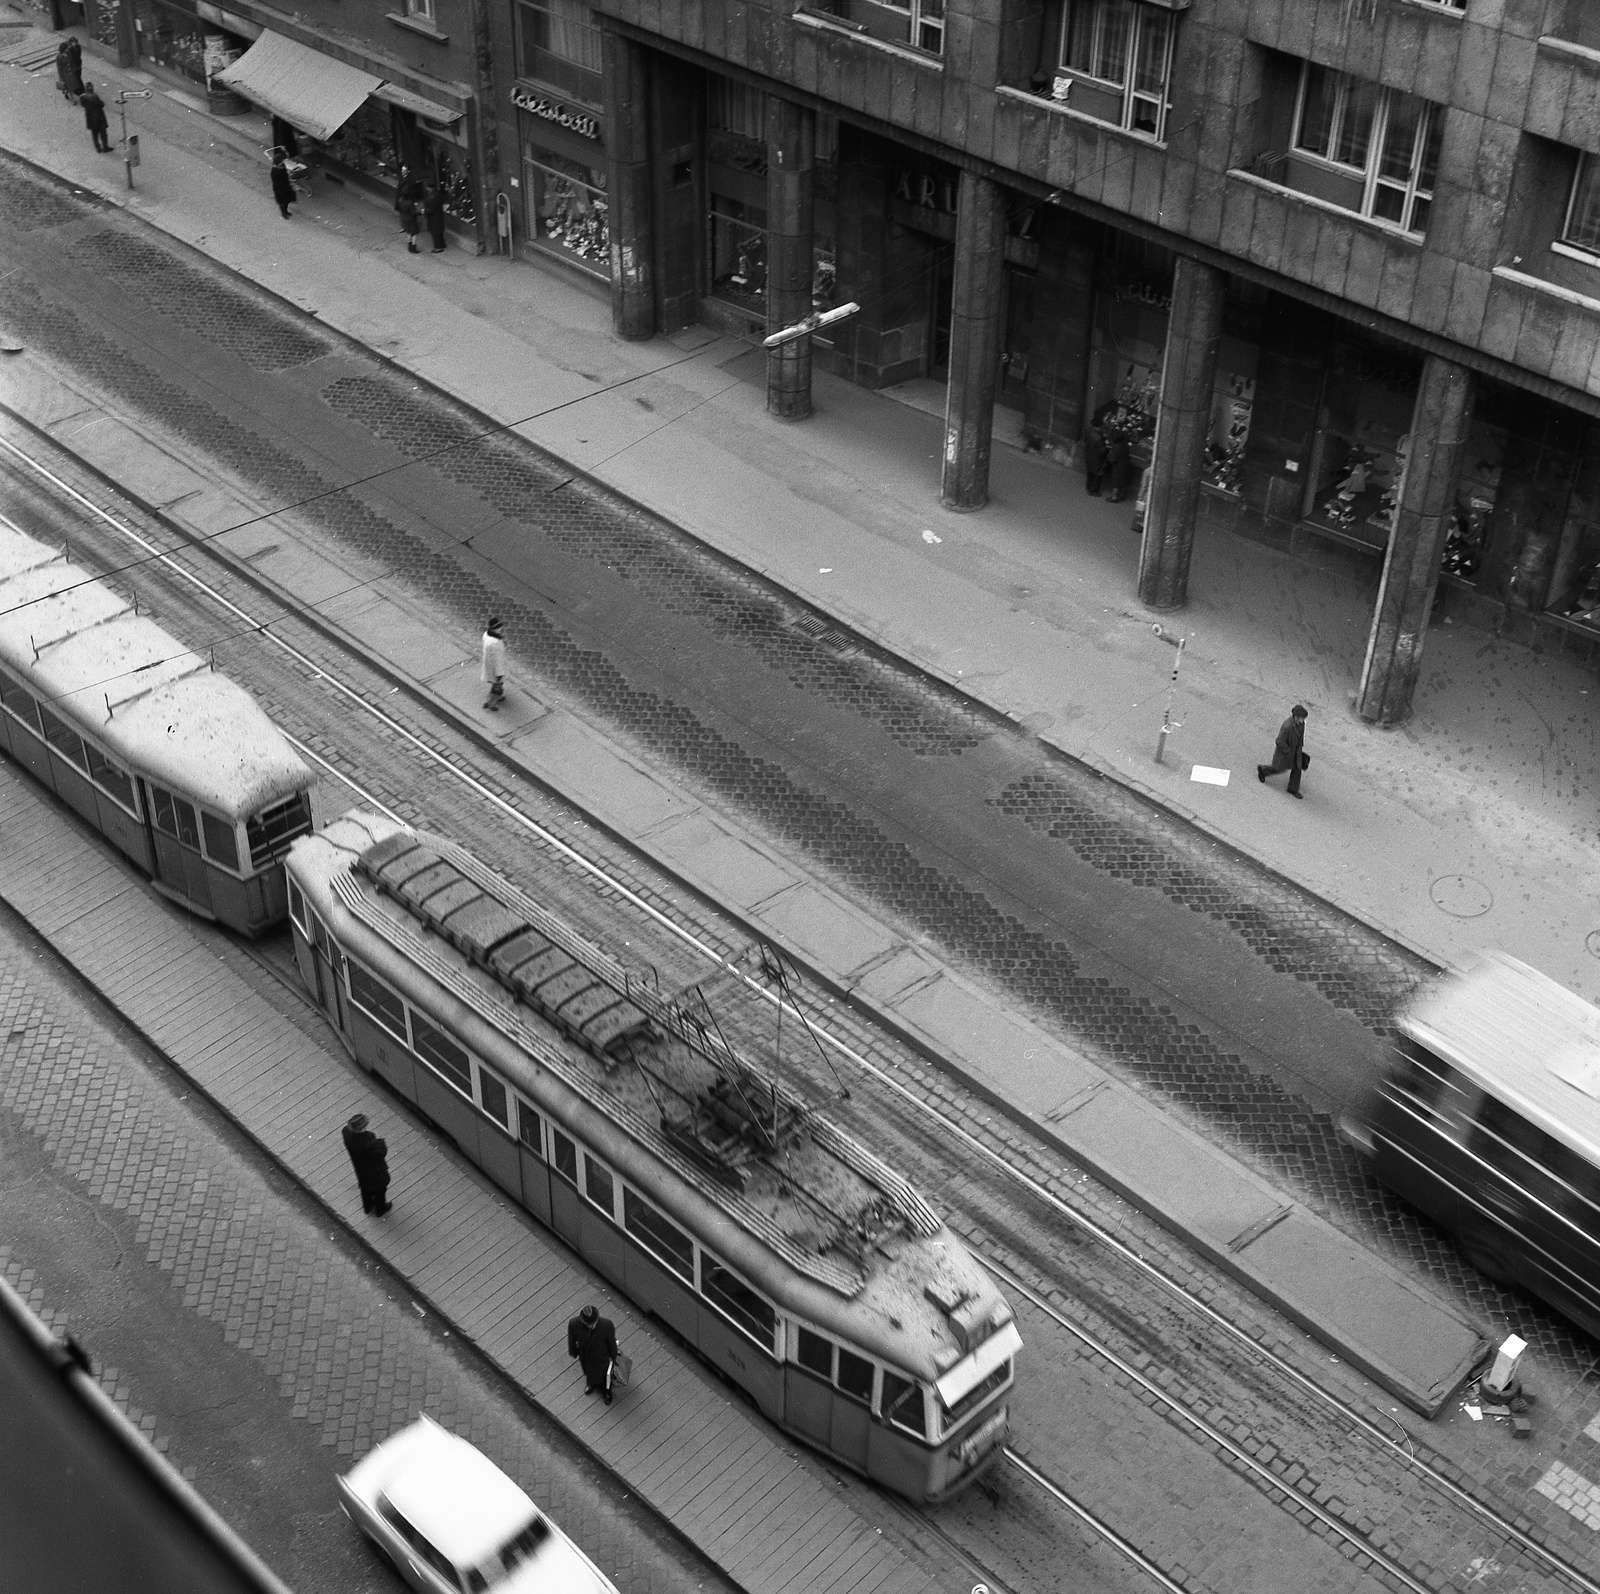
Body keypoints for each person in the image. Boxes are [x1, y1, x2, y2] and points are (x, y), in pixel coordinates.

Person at [341, 1112, 392, 1215]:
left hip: (361, 1169)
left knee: (365, 1188)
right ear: (362, 1128)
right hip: (375, 1172)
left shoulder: (346, 1134)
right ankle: (380, 1209)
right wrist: (381, 1142)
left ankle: (367, 1206)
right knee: (380, 1190)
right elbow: (382, 1152)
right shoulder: (369, 1143)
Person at [567, 1304, 619, 1404]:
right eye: (589, 1324)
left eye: (594, 1323)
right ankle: (591, 1384)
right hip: (586, 1357)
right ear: (582, 1320)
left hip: (601, 1357)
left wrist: (614, 1356)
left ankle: (606, 1391)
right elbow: (571, 1340)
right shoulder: (574, 1324)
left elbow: (611, 1343)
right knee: (589, 1373)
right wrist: (573, 1352)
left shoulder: (606, 1325)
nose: (592, 1326)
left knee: (605, 1378)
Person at [1257, 704, 1309, 798]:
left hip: (1296, 751)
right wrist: (1289, 751)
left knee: (1297, 768)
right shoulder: (1287, 727)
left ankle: (1293, 789)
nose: (1303, 720)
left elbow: (1300, 736)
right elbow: (1279, 741)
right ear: (1296, 717)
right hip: (1286, 753)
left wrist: (1299, 747)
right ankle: (1263, 770)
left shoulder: (1301, 724)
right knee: (1278, 768)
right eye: (1302, 718)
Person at [395, 166, 423, 253]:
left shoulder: (400, 200)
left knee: (408, 232)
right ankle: (413, 247)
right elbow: (413, 212)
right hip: (411, 218)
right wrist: (421, 212)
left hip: (404, 217)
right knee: (414, 233)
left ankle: (409, 245)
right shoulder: (410, 203)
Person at [481, 616, 506, 711]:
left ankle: (493, 700)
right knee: (497, 688)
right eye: (499, 628)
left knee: (495, 685)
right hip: (496, 669)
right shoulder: (495, 643)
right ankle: (491, 703)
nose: (501, 629)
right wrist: (499, 673)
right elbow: (497, 659)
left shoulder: (486, 635)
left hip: (489, 665)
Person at [80, 83, 110, 154]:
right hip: (99, 116)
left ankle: (98, 147)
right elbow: (101, 104)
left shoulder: (82, 96)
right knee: (103, 133)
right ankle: (105, 147)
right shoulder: (94, 96)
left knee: (94, 133)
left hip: (90, 117)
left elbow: (83, 105)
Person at [270, 152, 296, 220]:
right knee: (282, 202)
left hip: (286, 186)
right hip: (280, 189)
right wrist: (279, 191)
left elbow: (285, 174)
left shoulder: (283, 166)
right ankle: (283, 213)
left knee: (287, 200)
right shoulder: (274, 171)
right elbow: (275, 183)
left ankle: (286, 211)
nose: (282, 162)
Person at [423, 181, 447, 253]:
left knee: (435, 232)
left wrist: (425, 211)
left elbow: (432, 208)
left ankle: (438, 247)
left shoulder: (434, 196)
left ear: (429, 188)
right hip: (437, 216)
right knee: (438, 231)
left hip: (435, 217)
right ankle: (442, 244)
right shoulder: (435, 193)